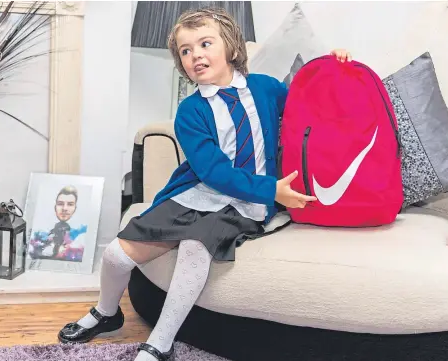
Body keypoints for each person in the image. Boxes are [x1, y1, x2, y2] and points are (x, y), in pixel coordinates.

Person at [58, 7, 352, 361]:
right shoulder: (190, 111)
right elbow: (213, 172)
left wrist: (332, 66)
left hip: (245, 202)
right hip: (200, 193)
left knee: (196, 248)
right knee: (115, 255)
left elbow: (308, 103)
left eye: (205, 43)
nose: (195, 54)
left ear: (230, 46)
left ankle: (160, 343)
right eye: (185, 50)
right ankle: (107, 312)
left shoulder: (266, 88)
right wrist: (271, 188)